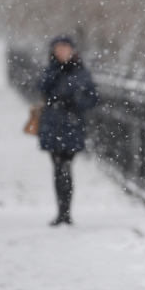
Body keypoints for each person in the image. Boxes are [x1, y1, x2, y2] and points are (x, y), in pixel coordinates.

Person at [36, 35, 98, 226]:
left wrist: (76, 102)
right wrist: (56, 73)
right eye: (58, 48)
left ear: (72, 50)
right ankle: (61, 212)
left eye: (65, 48)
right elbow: (41, 87)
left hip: (72, 125)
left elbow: (93, 98)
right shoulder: (50, 69)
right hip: (52, 124)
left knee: (65, 168)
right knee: (57, 168)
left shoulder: (81, 72)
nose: (61, 51)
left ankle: (66, 212)